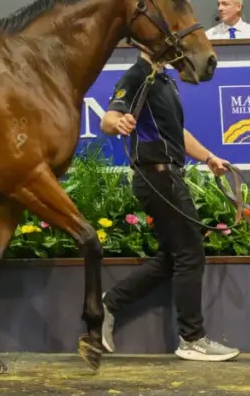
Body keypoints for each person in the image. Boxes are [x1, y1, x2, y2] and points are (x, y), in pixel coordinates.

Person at [98, 52, 240, 362]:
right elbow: (107, 119)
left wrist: (209, 157)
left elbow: (179, 134)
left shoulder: (165, 80)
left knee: (172, 257)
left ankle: (107, 305)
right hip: (158, 177)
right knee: (190, 253)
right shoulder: (138, 75)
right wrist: (118, 122)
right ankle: (192, 339)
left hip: (167, 176)